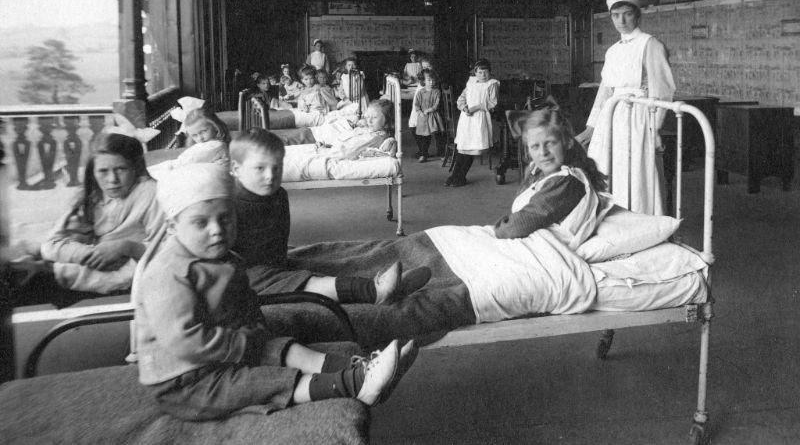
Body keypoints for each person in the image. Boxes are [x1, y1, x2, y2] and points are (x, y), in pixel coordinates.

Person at [296, 107, 612, 345]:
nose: (542, 153)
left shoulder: (567, 183)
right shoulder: (550, 176)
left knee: (415, 269)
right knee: (406, 247)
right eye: (535, 147)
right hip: (500, 245)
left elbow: (515, 226)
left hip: (530, 255)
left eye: (550, 144)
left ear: (567, 142)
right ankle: (306, 266)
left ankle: (316, 292)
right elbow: (520, 218)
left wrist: (501, 227)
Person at [134, 163, 418, 420]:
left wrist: (255, 336)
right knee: (260, 383)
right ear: (172, 226)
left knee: (284, 348)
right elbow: (185, 342)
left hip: (224, 350)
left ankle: (361, 367)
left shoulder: (220, 256)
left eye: (225, 219)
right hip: (186, 382)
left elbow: (242, 305)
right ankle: (355, 385)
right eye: (200, 223)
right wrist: (244, 343)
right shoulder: (166, 273)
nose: (216, 230)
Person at [229, 128, 430, 298]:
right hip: (239, 276)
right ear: (236, 169)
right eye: (259, 168)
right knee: (307, 282)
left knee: (305, 276)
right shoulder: (228, 205)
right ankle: (373, 292)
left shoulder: (278, 195)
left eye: (277, 167)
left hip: (272, 265)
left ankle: (388, 290)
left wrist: (279, 267)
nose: (270, 176)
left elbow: (277, 241)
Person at [8, 133, 165, 303]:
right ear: (93, 172)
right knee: (19, 260)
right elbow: (52, 244)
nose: (113, 179)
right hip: (88, 264)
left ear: (135, 167)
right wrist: (92, 254)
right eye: (103, 171)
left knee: (21, 275)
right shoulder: (94, 196)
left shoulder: (149, 193)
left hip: (118, 275)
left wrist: (126, 247)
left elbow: (166, 249)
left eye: (121, 169)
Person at [575, 0, 676, 216]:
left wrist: (655, 128)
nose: (621, 20)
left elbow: (662, 91)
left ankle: (642, 225)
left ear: (637, 14)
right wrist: (591, 128)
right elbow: (605, 91)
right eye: (615, 15)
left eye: (627, 14)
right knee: (607, 171)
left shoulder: (650, 44)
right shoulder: (612, 51)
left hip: (638, 117)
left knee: (637, 174)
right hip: (611, 118)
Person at [446, 59, 498, 187]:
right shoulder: (471, 83)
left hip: (480, 119)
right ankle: (455, 175)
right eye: (480, 72)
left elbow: (492, 103)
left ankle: (461, 176)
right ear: (475, 73)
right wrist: (464, 107)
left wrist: (475, 108)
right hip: (467, 119)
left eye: (485, 72)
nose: (483, 75)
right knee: (463, 148)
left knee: (470, 149)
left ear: (490, 72)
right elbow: (461, 99)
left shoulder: (492, 84)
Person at [413, 68, 445, 162]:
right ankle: (424, 154)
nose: (431, 82)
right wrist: (420, 112)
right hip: (423, 117)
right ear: (423, 81)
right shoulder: (420, 92)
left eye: (433, 80)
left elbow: (436, 104)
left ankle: (441, 153)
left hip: (434, 116)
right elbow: (416, 104)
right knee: (424, 137)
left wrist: (429, 110)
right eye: (428, 80)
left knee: (438, 135)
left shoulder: (436, 91)